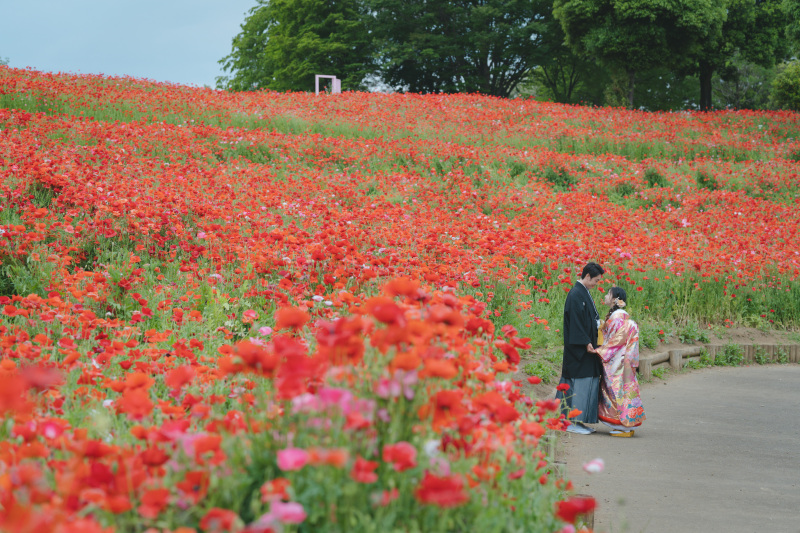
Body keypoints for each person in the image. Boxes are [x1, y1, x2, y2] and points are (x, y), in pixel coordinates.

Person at [557, 262, 604, 435]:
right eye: (596, 280)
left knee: (588, 381)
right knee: (577, 384)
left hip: (587, 347)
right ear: (588, 276)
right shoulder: (576, 294)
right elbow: (576, 323)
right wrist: (586, 342)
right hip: (578, 349)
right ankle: (570, 421)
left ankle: (579, 421)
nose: (596, 284)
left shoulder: (583, 293)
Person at [596, 287, 646, 437]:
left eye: (608, 294)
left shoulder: (617, 318)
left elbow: (613, 342)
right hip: (624, 360)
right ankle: (627, 425)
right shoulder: (622, 317)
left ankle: (622, 425)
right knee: (625, 391)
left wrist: (599, 350)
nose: (605, 296)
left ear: (614, 299)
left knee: (615, 392)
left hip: (617, 361)